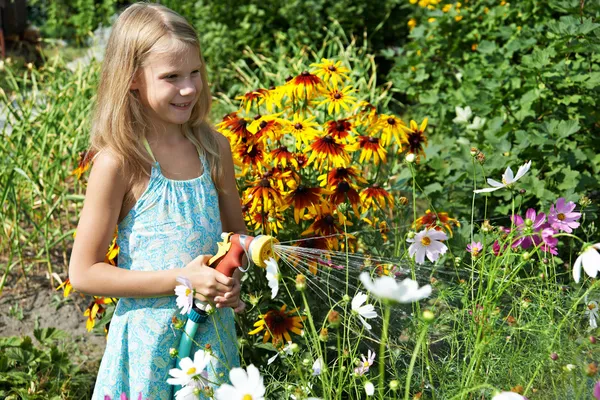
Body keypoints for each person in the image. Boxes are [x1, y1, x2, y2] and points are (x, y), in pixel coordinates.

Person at [68, 3, 247, 399]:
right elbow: (83, 272)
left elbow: (236, 237)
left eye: (195, 72)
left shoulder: (214, 148)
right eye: (171, 77)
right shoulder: (119, 162)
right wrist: (183, 279)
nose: (188, 88)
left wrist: (230, 277)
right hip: (147, 347)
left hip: (210, 344)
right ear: (131, 78)